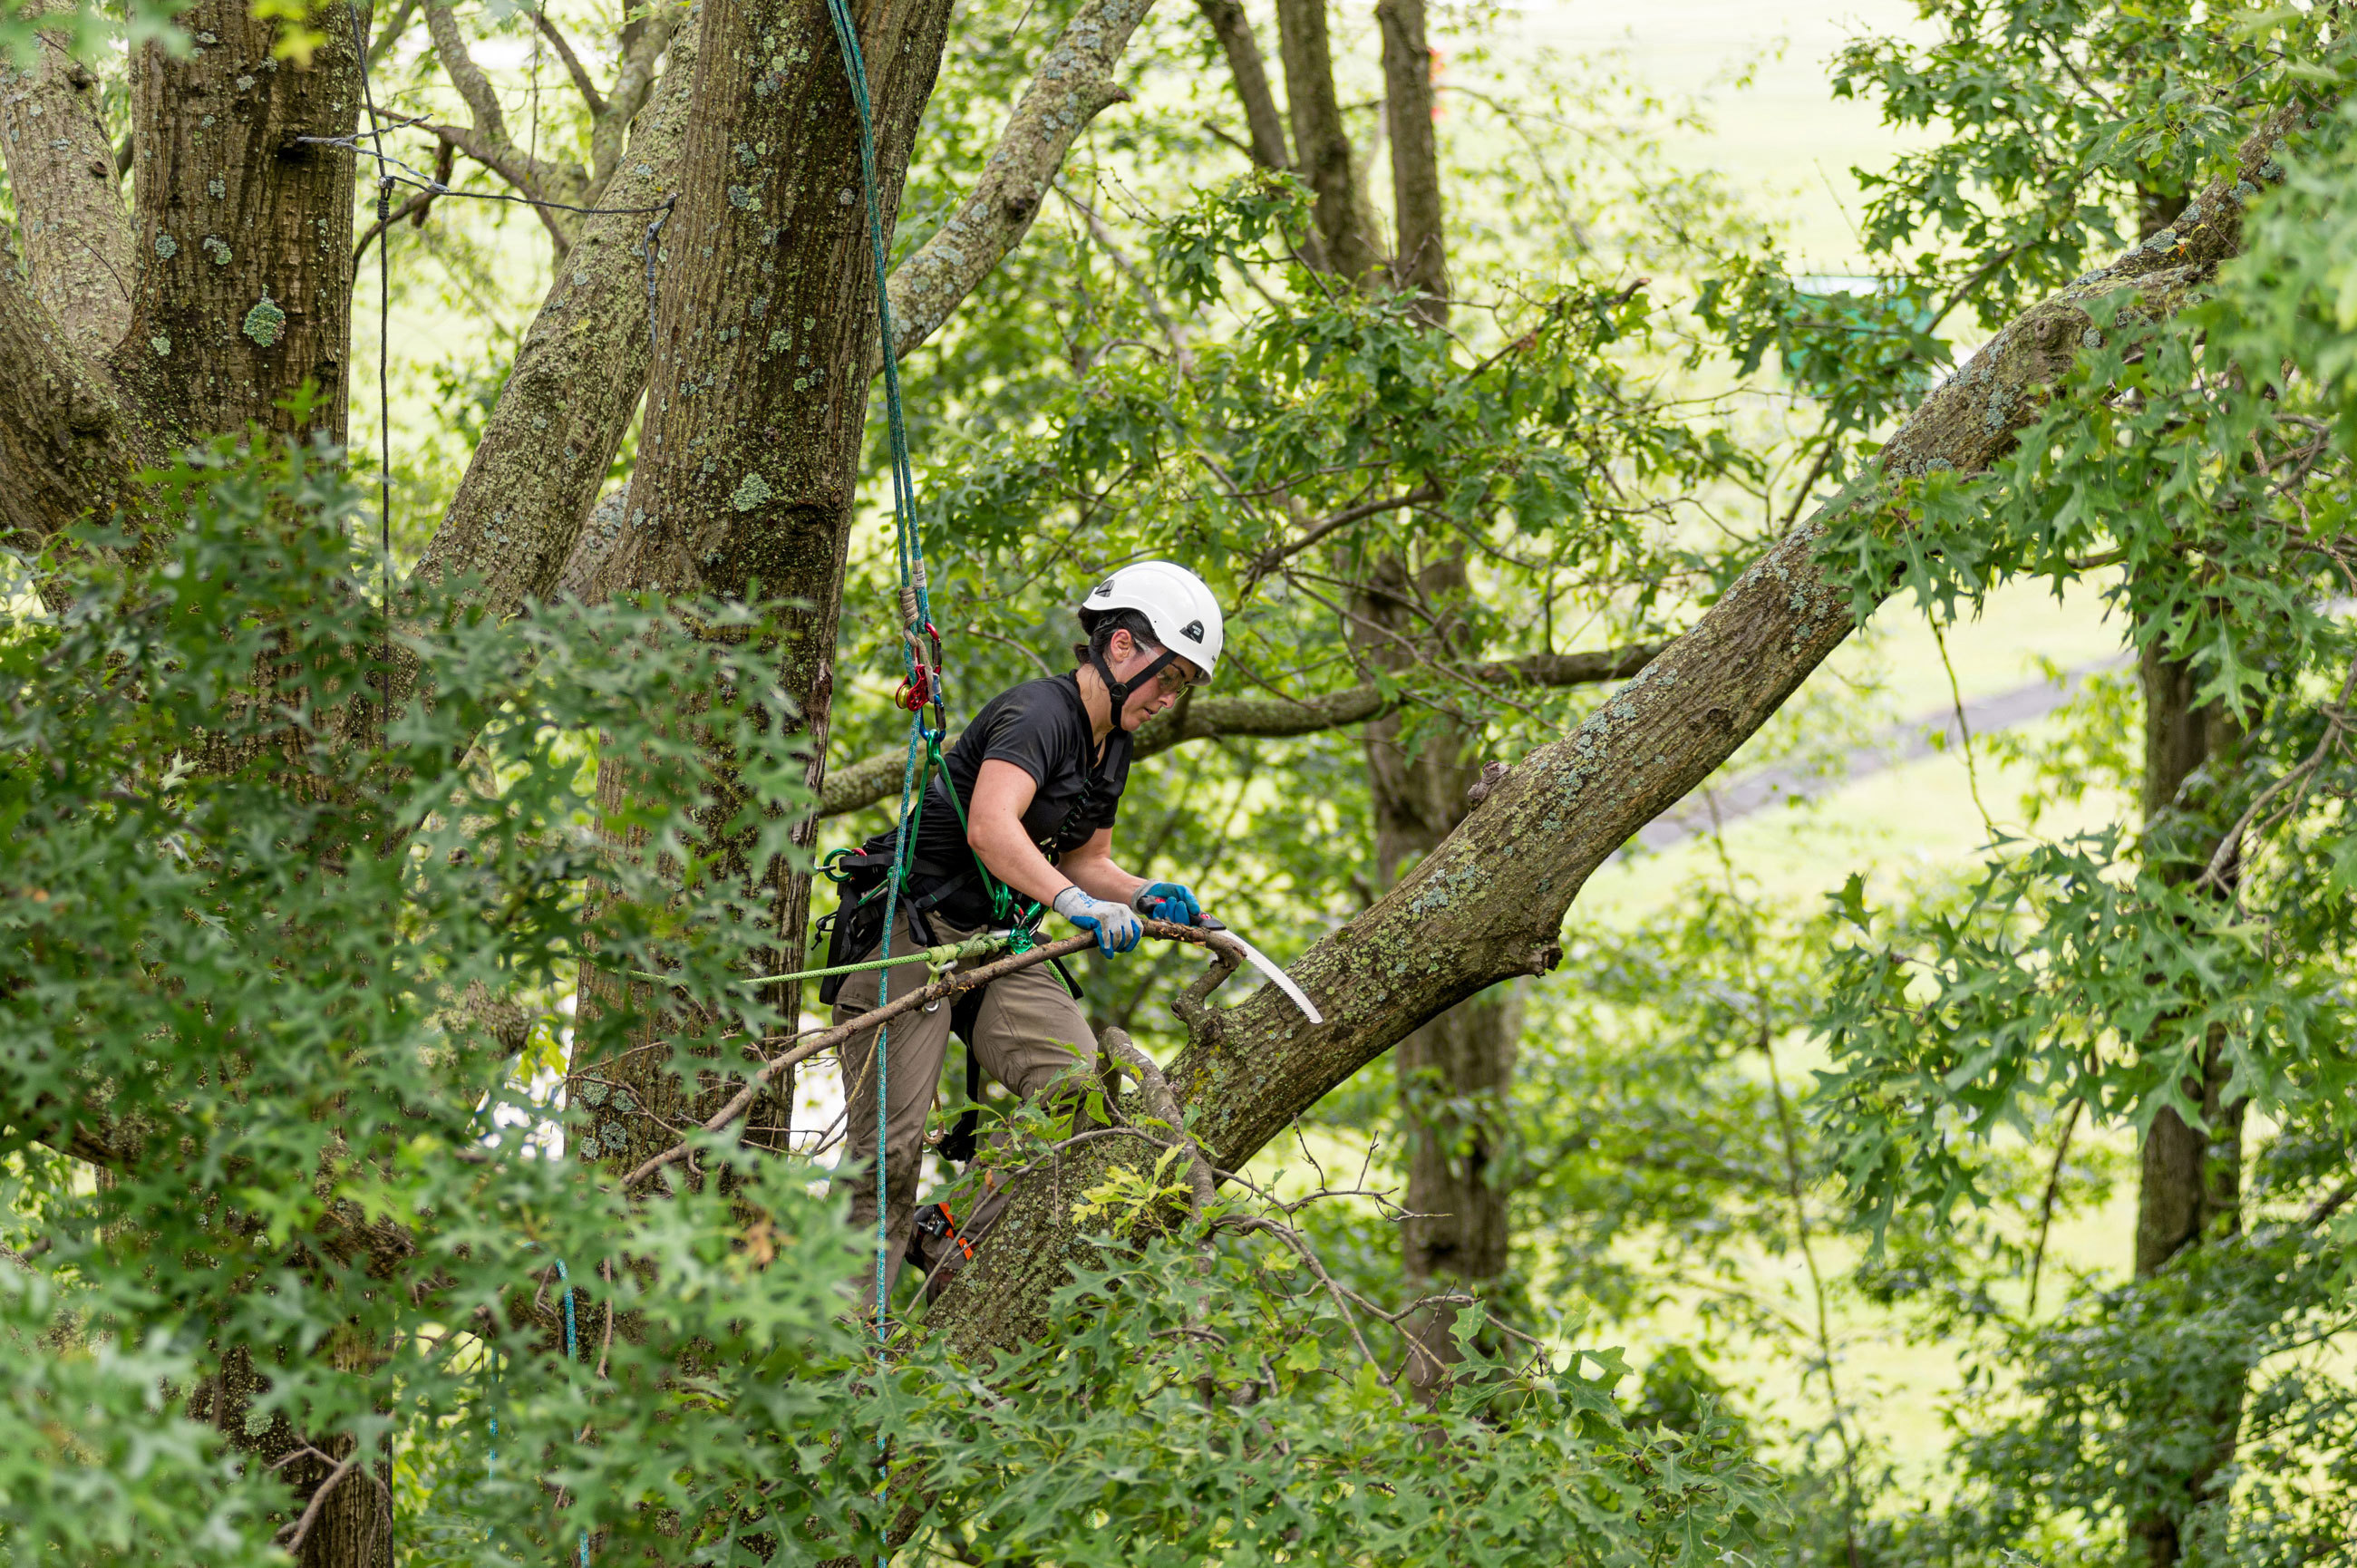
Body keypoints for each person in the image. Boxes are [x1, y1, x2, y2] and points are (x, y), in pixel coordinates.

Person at [824, 561, 1225, 1303]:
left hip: (994, 941)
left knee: (1081, 1097)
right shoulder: (1041, 715)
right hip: (910, 932)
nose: (1172, 698)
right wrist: (1075, 903)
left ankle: (942, 1227)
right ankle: (840, 1352)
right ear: (1123, 648)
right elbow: (991, 827)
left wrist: (1142, 895)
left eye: (1186, 688)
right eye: (1170, 678)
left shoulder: (1115, 744)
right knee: (888, 1154)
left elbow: (1088, 857)